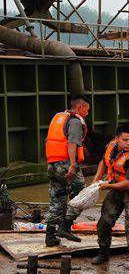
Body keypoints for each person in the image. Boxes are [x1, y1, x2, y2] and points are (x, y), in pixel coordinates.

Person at [91, 124, 129, 274]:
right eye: (125, 140)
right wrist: (97, 178)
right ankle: (104, 253)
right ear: (116, 139)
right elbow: (104, 162)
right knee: (104, 222)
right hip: (116, 188)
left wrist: (107, 186)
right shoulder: (111, 146)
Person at [44, 93, 91, 247]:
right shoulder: (75, 121)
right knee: (83, 195)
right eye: (87, 110)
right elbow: (72, 144)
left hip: (52, 164)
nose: (87, 113)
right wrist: (72, 164)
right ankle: (65, 226)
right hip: (66, 164)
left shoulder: (58, 118)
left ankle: (50, 236)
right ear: (80, 107)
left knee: (57, 197)